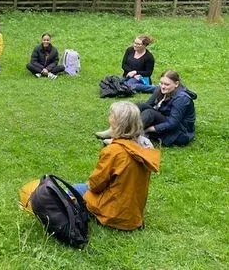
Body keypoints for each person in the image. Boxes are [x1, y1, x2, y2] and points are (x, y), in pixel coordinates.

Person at [74, 102, 160, 231]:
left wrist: (89, 186)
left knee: (75, 189)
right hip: (134, 215)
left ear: (116, 122)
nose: (108, 118)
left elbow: (96, 184)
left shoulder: (114, 151)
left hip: (113, 214)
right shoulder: (144, 147)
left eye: (111, 116)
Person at [97, 70, 196, 147]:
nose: (163, 86)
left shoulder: (182, 99)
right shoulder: (160, 90)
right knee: (140, 105)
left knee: (150, 113)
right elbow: (148, 104)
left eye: (167, 84)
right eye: (161, 83)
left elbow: (173, 123)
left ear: (176, 84)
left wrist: (149, 129)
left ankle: (120, 138)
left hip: (179, 132)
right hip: (164, 120)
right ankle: (116, 129)